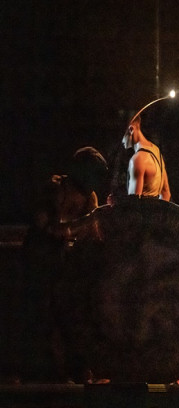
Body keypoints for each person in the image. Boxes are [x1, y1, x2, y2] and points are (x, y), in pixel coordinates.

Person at [21, 147, 109, 382]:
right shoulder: (55, 188)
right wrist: (80, 225)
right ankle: (41, 372)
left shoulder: (90, 197)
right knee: (42, 315)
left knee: (72, 314)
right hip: (40, 258)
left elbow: (94, 234)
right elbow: (46, 227)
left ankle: (76, 369)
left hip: (64, 263)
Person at [122, 115, 171, 200]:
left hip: (142, 208)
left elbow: (134, 202)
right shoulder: (156, 151)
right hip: (155, 208)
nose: (121, 141)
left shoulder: (137, 159)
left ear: (131, 129)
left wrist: (117, 203)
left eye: (121, 134)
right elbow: (166, 193)